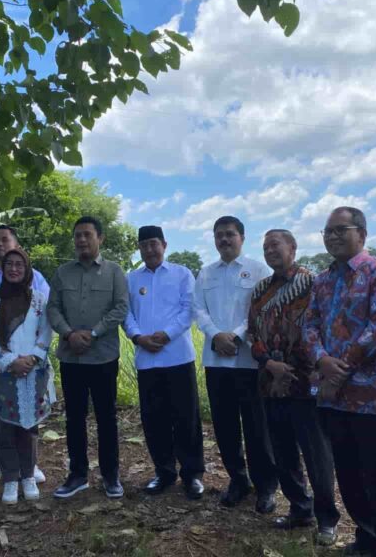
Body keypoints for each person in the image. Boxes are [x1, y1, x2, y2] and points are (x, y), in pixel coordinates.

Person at [303, 207, 376, 557]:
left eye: (341, 230)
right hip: (332, 397)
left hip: (372, 397)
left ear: (362, 234)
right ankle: (368, 539)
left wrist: (339, 370)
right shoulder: (322, 280)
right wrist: (322, 360)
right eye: (328, 231)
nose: (333, 236)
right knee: (349, 473)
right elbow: (309, 325)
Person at [248, 229, 339, 546]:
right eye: (265, 246)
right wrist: (270, 365)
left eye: (275, 244)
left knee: (316, 454)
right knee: (282, 452)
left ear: (293, 247)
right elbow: (252, 335)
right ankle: (300, 509)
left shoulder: (313, 284)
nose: (269, 250)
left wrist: (291, 368)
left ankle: (327, 518)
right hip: (270, 384)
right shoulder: (261, 290)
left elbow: (322, 330)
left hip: (305, 383)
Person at [194, 215, 276, 513]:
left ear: (242, 237)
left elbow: (261, 308)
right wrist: (217, 335)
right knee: (225, 426)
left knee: (257, 427)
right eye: (219, 235)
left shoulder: (258, 270)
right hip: (216, 360)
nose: (224, 239)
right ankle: (238, 480)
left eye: (230, 234)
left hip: (249, 361)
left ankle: (266, 486)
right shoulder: (206, 273)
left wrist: (237, 336)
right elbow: (198, 310)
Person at [47, 216, 129, 500]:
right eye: (77, 235)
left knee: (107, 417)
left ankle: (110, 475)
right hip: (71, 358)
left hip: (103, 357)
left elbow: (121, 308)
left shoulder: (114, 272)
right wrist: (69, 334)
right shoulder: (62, 273)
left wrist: (93, 333)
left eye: (87, 235)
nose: (81, 240)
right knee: (74, 418)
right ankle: (78, 474)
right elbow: (53, 309)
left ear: (100, 238)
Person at [123, 226, 205, 500]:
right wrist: (138, 337)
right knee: (153, 419)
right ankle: (164, 471)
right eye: (144, 245)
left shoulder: (182, 274)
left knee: (186, 417)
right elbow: (126, 313)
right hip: (147, 359)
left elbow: (188, 309)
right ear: (139, 248)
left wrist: (167, 334)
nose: (149, 249)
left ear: (164, 245)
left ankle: (192, 474)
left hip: (178, 356)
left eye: (154, 244)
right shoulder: (132, 279)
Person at [0, 225, 50, 490]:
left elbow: (46, 328)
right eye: (10, 265)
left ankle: (28, 472)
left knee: (29, 424)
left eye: (20, 265)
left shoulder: (38, 295)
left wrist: (33, 358)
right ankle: (5, 474)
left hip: (32, 369)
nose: (14, 269)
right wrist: (8, 361)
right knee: (1, 424)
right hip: (1, 368)